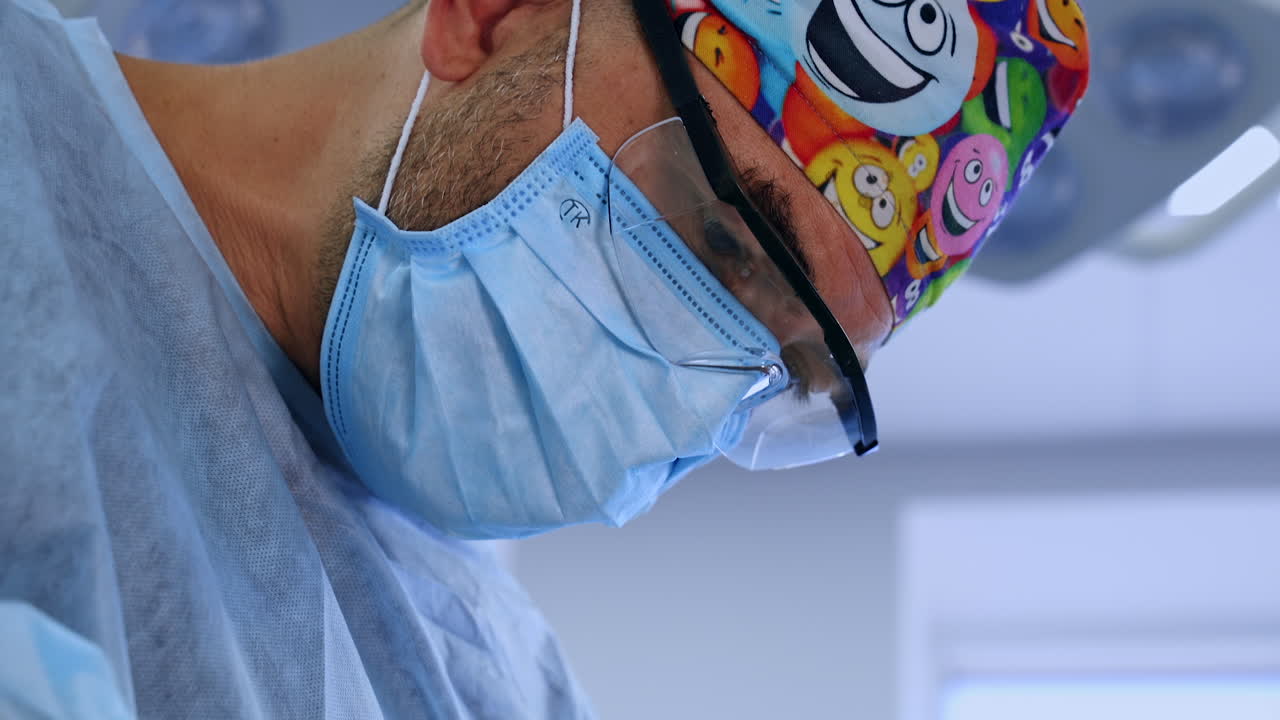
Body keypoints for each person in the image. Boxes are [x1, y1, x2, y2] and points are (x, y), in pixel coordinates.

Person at [0, 0, 1089, 716]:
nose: (684, 389)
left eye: (781, 368)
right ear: (491, 18)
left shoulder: (479, 682)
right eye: (717, 239)